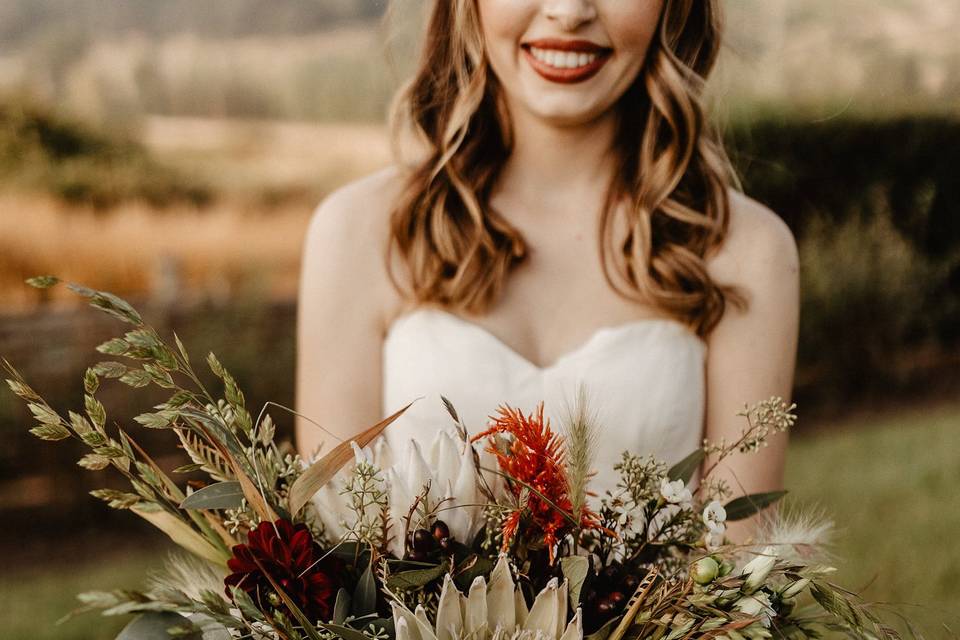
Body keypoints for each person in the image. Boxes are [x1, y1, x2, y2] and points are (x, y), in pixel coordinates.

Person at [295, 0, 799, 543]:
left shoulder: (747, 251)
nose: (568, 11)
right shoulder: (355, 233)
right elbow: (331, 553)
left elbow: (736, 578)